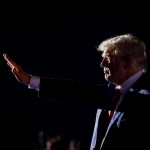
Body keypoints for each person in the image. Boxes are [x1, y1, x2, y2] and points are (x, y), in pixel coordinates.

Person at [3, 33, 150, 150]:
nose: (102, 64)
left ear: (128, 62)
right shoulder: (114, 94)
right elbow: (77, 91)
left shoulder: (145, 97)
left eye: (108, 58)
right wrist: (29, 80)